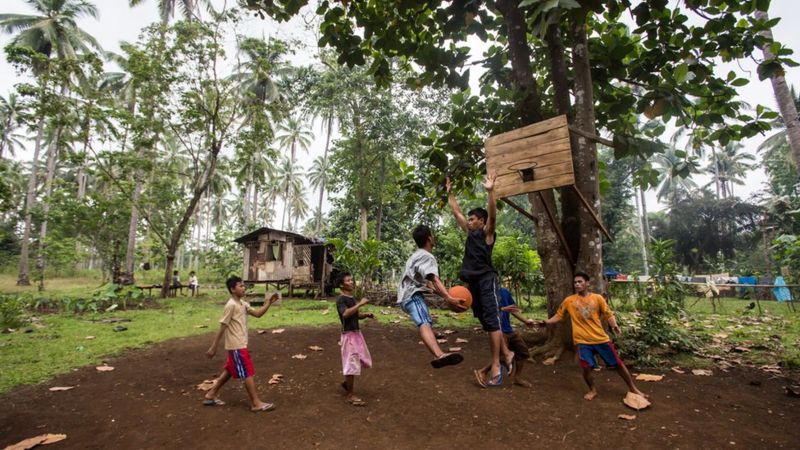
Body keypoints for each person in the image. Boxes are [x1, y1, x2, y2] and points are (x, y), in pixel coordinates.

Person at [447, 174, 514, 387]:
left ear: (481, 221)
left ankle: (496, 364)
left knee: (493, 321)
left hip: (486, 280)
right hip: (472, 285)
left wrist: (490, 191)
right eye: (469, 218)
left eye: (473, 218)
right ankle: (506, 352)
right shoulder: (469, 233)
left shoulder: (487, 235)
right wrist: (450, 191)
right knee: (487, 323)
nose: (469, 220)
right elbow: (455, 211)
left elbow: (493, 216)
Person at [542, 271, 645, 401]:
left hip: (600, 338)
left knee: (618, 364)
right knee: (586, 367)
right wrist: (546, 322)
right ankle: (592, 389)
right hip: (582, 341)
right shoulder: (569, 301)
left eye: (580, 282)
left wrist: (614, 326)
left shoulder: (597, 298)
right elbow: (559, 316)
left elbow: (608, 314)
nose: (577, 284)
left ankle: (632, 388)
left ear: (587, 284)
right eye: (575, 282)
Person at [203, 276, 280, 412]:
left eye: (244, 285)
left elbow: (257, 314)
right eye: (240, 286)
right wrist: (213, 346)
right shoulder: (231, 305)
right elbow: (223, 326)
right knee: (247, 371)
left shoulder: (242, 304)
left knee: (230, 370)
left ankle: (211, 394)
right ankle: (256, 403)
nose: (244, 288)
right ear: (233, 289)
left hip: (240, 344)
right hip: (236, 345)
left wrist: (269, 303)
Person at [397, 225, 468, 369]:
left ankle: (434, 337)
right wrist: (448, 297)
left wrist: (446, 296)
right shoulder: (427, 256)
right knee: (424, 322)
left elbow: (429, 285)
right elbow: (434, 279)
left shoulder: (415, 255)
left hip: (406, 297)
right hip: (412, 296)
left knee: (425, 321)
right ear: (430, 238)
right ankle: (438, 354)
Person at [336, 273, 374, 406]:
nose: (351, 282)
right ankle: (350, 395)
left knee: (359, 359)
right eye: (348, 280)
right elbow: (345, 314)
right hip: (348, 335)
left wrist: (365, 315)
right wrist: (360, 304)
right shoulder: (341, 299)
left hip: (356, 333)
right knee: (351, 362)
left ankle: (347, 383)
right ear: (342, 284)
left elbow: (354, 315)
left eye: (351, 280)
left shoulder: (351, 298)